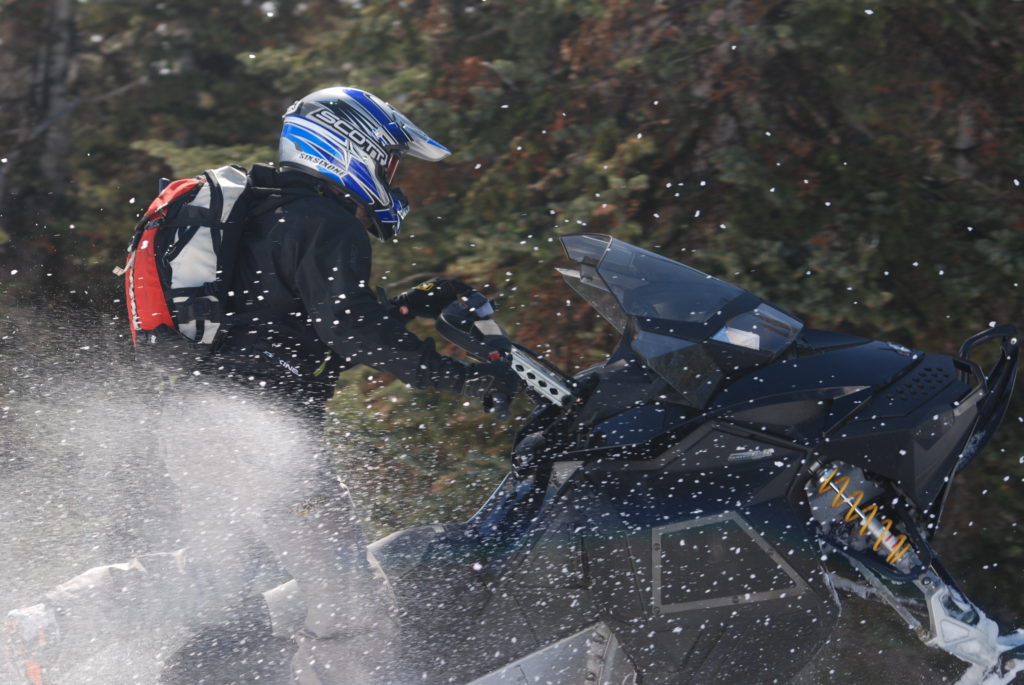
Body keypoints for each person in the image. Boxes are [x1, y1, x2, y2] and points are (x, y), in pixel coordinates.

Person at [3, 86, 521, 685]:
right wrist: (465, 379)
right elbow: (351, 331)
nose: (392, 176)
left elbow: (289, 329)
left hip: (199, 426)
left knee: (217, 577)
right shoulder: (324, 222)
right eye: (389, 161)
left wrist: (405, 309)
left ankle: (49, 625)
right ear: (351, 147)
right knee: (350, 599)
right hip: (258, 440)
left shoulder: (265, 213)